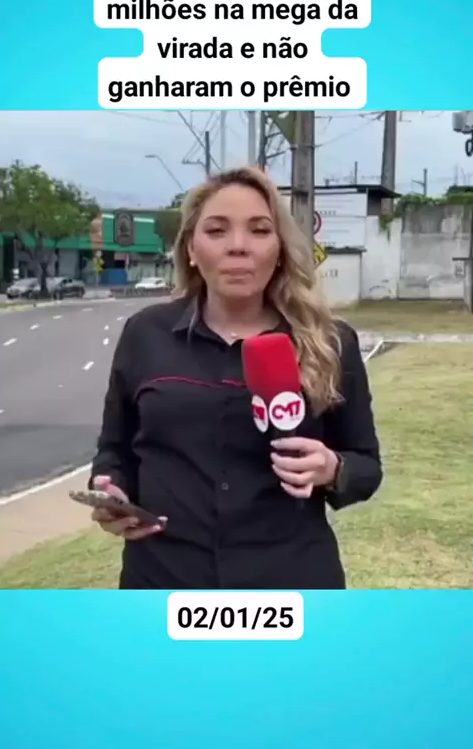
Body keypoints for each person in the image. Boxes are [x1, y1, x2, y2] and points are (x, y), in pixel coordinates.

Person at [90, 166, 382, 589]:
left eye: (260, 230)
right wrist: (111, 492)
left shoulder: (331, 342)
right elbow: (114, 450)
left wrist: (332, 468)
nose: (238, 246)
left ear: (280, 249)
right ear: (191, 248)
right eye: (217, 230)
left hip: (290, 583)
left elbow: (367, 468)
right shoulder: (144, 334)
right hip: (162, 580)